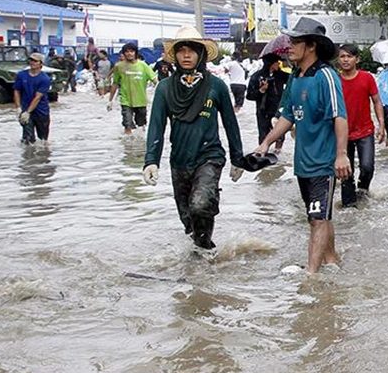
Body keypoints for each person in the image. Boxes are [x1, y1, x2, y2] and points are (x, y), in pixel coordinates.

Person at [254, 17, 351, 273]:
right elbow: (287, 116)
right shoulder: (295, 76)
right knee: (316, 216)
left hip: (323, 161)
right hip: (303, 162)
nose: (290, 47)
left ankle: (311, 274)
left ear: (311, 46)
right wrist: (265, 143)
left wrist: (341, 155)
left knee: (318, 218)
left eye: (295, 42)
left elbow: (339, 116)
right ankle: (331, 260)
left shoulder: (326, 76)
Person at [143, 26, 246, 251]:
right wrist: (151, 160)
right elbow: (156, 126)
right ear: (175, 55)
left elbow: (230, 123)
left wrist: (238, 159)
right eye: (181, 51)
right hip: (179, 160)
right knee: (189, 219)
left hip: (209, 156)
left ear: (201, 54)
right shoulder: (164, 88)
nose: (186, 55)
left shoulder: (216, 86)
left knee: (200, 204)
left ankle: (206, 252)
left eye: (191, 50)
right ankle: (202, 255)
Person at [337, 43, 386, 207]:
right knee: (345, 172)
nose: (345, 60)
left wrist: (382, 124)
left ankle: (363, 191)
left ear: (357, 59)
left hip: (365, 131)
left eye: (349, 56)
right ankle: (348, 207)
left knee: (367, 166)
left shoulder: (367, 78)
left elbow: (377, 101)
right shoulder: (335, 80)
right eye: (342, 56)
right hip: (342, 133)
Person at [106, 42, 157, 136]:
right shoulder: (119, 66)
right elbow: (115, 83)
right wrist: (110, 100)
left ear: (135, 53)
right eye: (127, 52)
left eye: (132, 51)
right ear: (124, 53)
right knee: (127, 125)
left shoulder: (143, 65)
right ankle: (128, 148)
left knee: (141, 126)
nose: (129, 53)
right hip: (126, 101)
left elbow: (155, 81)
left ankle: (139, 147)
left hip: (141, 101)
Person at [245, 52, 289, 151]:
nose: (279, 64)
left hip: (277, 110)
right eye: (277, 62)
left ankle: (278, 155)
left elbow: (293, 78)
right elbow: (249, 96)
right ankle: (263, 156)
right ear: (271, 64)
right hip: (263, 110)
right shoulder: (257, 76)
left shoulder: (281, 75)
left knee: (280, 134)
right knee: (263, 134)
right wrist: (261, 90)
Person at [13, 52, 52, 145]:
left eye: (35, 61)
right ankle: (28, 157)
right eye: (31, 60)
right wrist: (18, 108)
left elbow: (38, 97)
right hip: (25, 109)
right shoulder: (21, 75)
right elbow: (16, 91)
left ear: (41, 64)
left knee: (43, 140)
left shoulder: (45, 79)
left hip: (41, 111)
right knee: (28, 140)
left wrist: (28, 112)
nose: (32, 62)